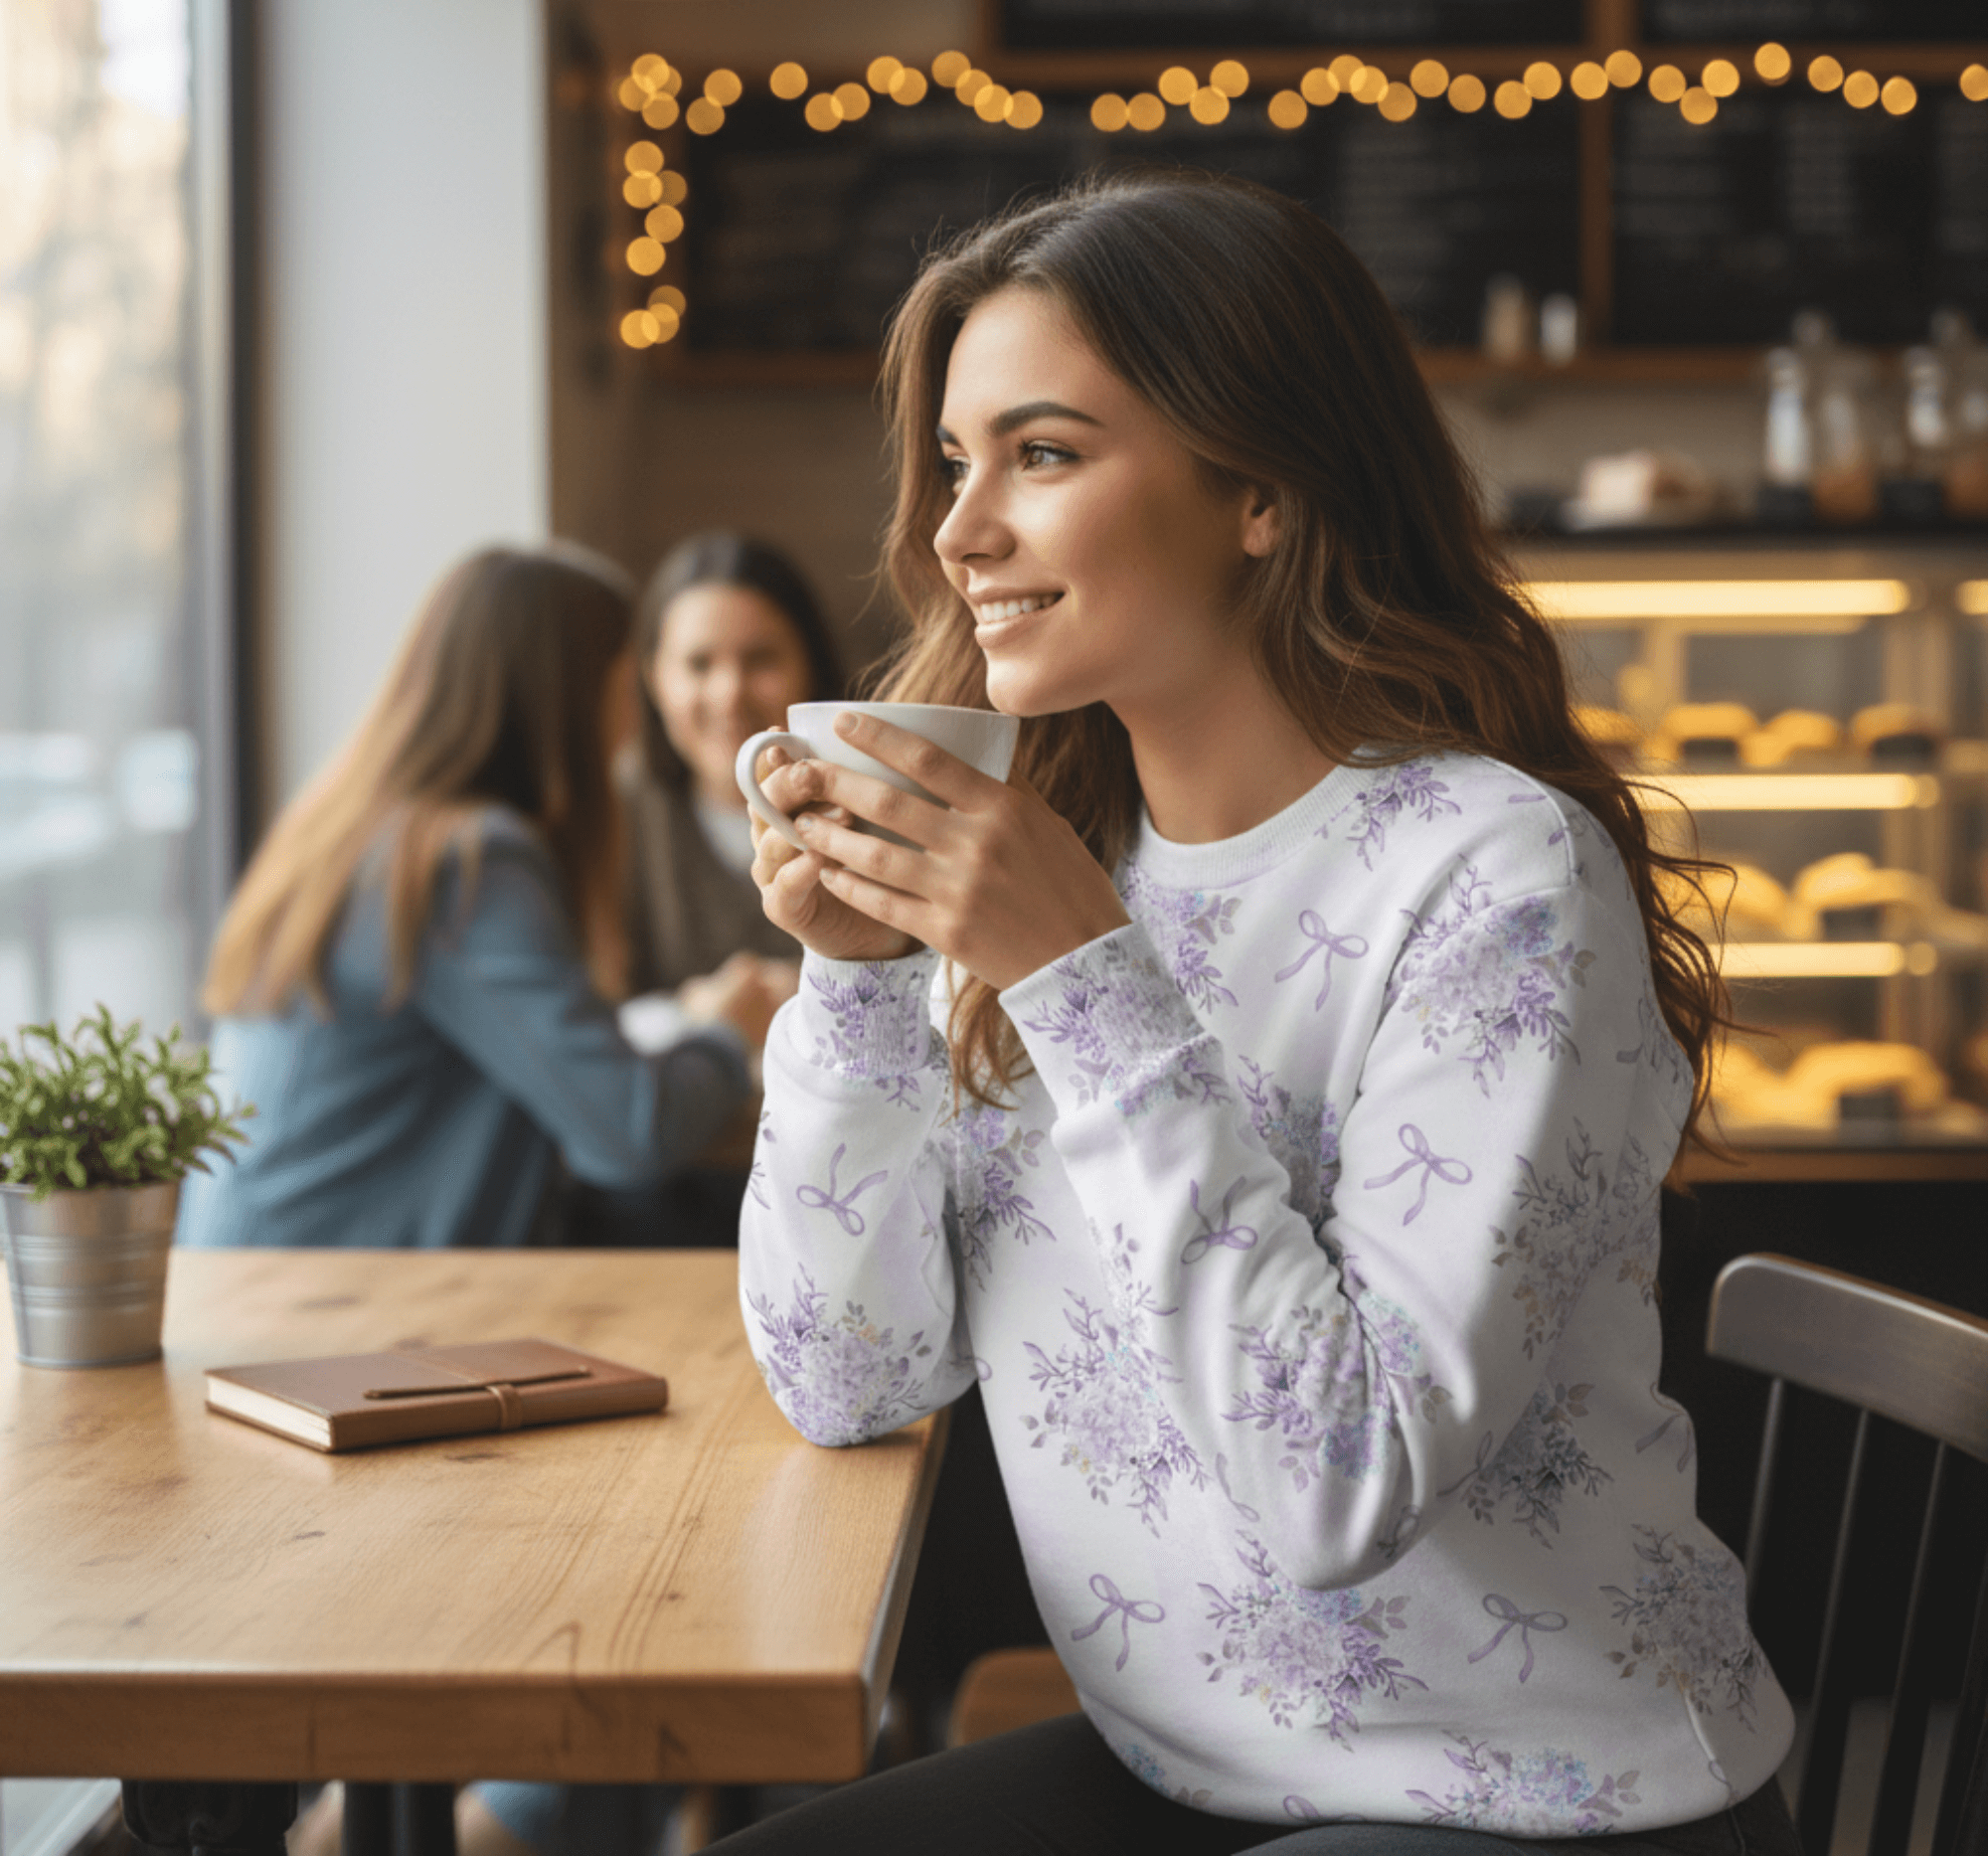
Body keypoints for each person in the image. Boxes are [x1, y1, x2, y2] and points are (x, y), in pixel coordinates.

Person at [722, 169, 1801, 1856]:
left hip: (1542, 1800)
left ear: (1263, 493)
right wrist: (855, 979)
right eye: (954, 463)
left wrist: (1083, 982)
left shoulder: (1497, 874)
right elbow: (849, 1377)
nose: (958, 531)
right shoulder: (1060, 862)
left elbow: (1339, 1487)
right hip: (1194, 1768)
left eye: (1045, 454)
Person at [182, 543, 773, 1254]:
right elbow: (629, 1131)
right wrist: (727, 1030)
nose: (633, 716)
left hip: (255, 1283)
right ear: (571, 695)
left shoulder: (356, 829)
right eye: (623, 683)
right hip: (332, 1313)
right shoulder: (465, 863)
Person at [564, 534, 843, 1250]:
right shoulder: (611, 819)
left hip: (838, 1177)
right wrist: (705, 1009)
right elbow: (575, 1038)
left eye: (761, 659)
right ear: (652, 678)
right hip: (664, 1197)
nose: (729, 692)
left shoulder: (868, 816)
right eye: (698, 664)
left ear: (809, 665)